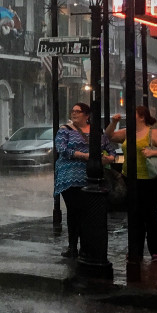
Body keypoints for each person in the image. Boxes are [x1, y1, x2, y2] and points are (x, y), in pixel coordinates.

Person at [107, 105, 157, 262]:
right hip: (130, 179)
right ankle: (136, 251)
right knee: (135, 217)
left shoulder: (153, 133)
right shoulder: (127, 132)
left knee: (150, 215)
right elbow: (108, 136)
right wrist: (113, 123)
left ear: (142, 117)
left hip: (150, 180)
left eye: (131, 113)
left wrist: (152, 152)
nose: (128, 116)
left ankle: (156, 252)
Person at [54, 102, 113, 259]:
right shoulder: (64, 130)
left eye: (78, 112)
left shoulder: (96, 132)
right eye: (72, 111)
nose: (73, 114)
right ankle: (73, 246)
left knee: (88, 213)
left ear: (87, 115)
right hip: (70, 178)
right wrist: (84, 156)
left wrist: (109, 158)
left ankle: (86, 246)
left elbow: (110, 149)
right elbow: (61, 149)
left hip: (91, 178)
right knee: (74, 211)